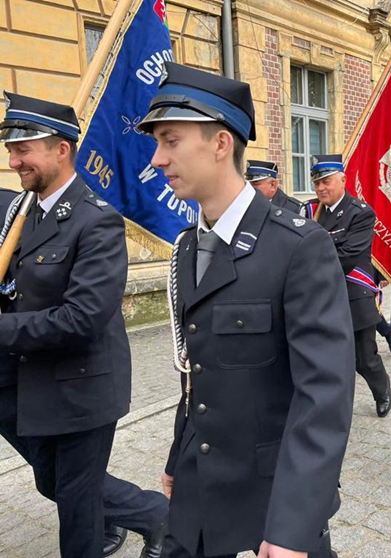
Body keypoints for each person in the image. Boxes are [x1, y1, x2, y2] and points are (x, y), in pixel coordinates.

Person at [139, 62, 354, 558]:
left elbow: (323, 395)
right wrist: (178, 456)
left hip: (266, 505)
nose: (157, 158)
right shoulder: (188, 247)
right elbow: (198, 373)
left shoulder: (299, 247)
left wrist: (292, 529)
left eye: (170, 141)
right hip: (196, 492)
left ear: (219, 143)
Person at [0, 92, 169, 558]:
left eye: (23, 149)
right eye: (11, 151)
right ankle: (156, 516)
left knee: (75, 506)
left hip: (82, 388)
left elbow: (83, 318)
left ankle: (154, 520)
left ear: (61, 149)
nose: (13, 161)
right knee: (54, 483)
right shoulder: (22, 214)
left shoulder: (98, 221)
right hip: (34, 381)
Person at [303, 154, 391, 418]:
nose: (321, 188)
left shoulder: (361, 213)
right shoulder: (309, 212)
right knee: (328, 358)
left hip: (354, 295)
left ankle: (382, 390)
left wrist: (308, 264)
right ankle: (333, 406)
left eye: (327, 182)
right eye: (317, 183)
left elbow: (347, 257)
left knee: (364, 359)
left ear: (342, 179)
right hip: (320, 298)